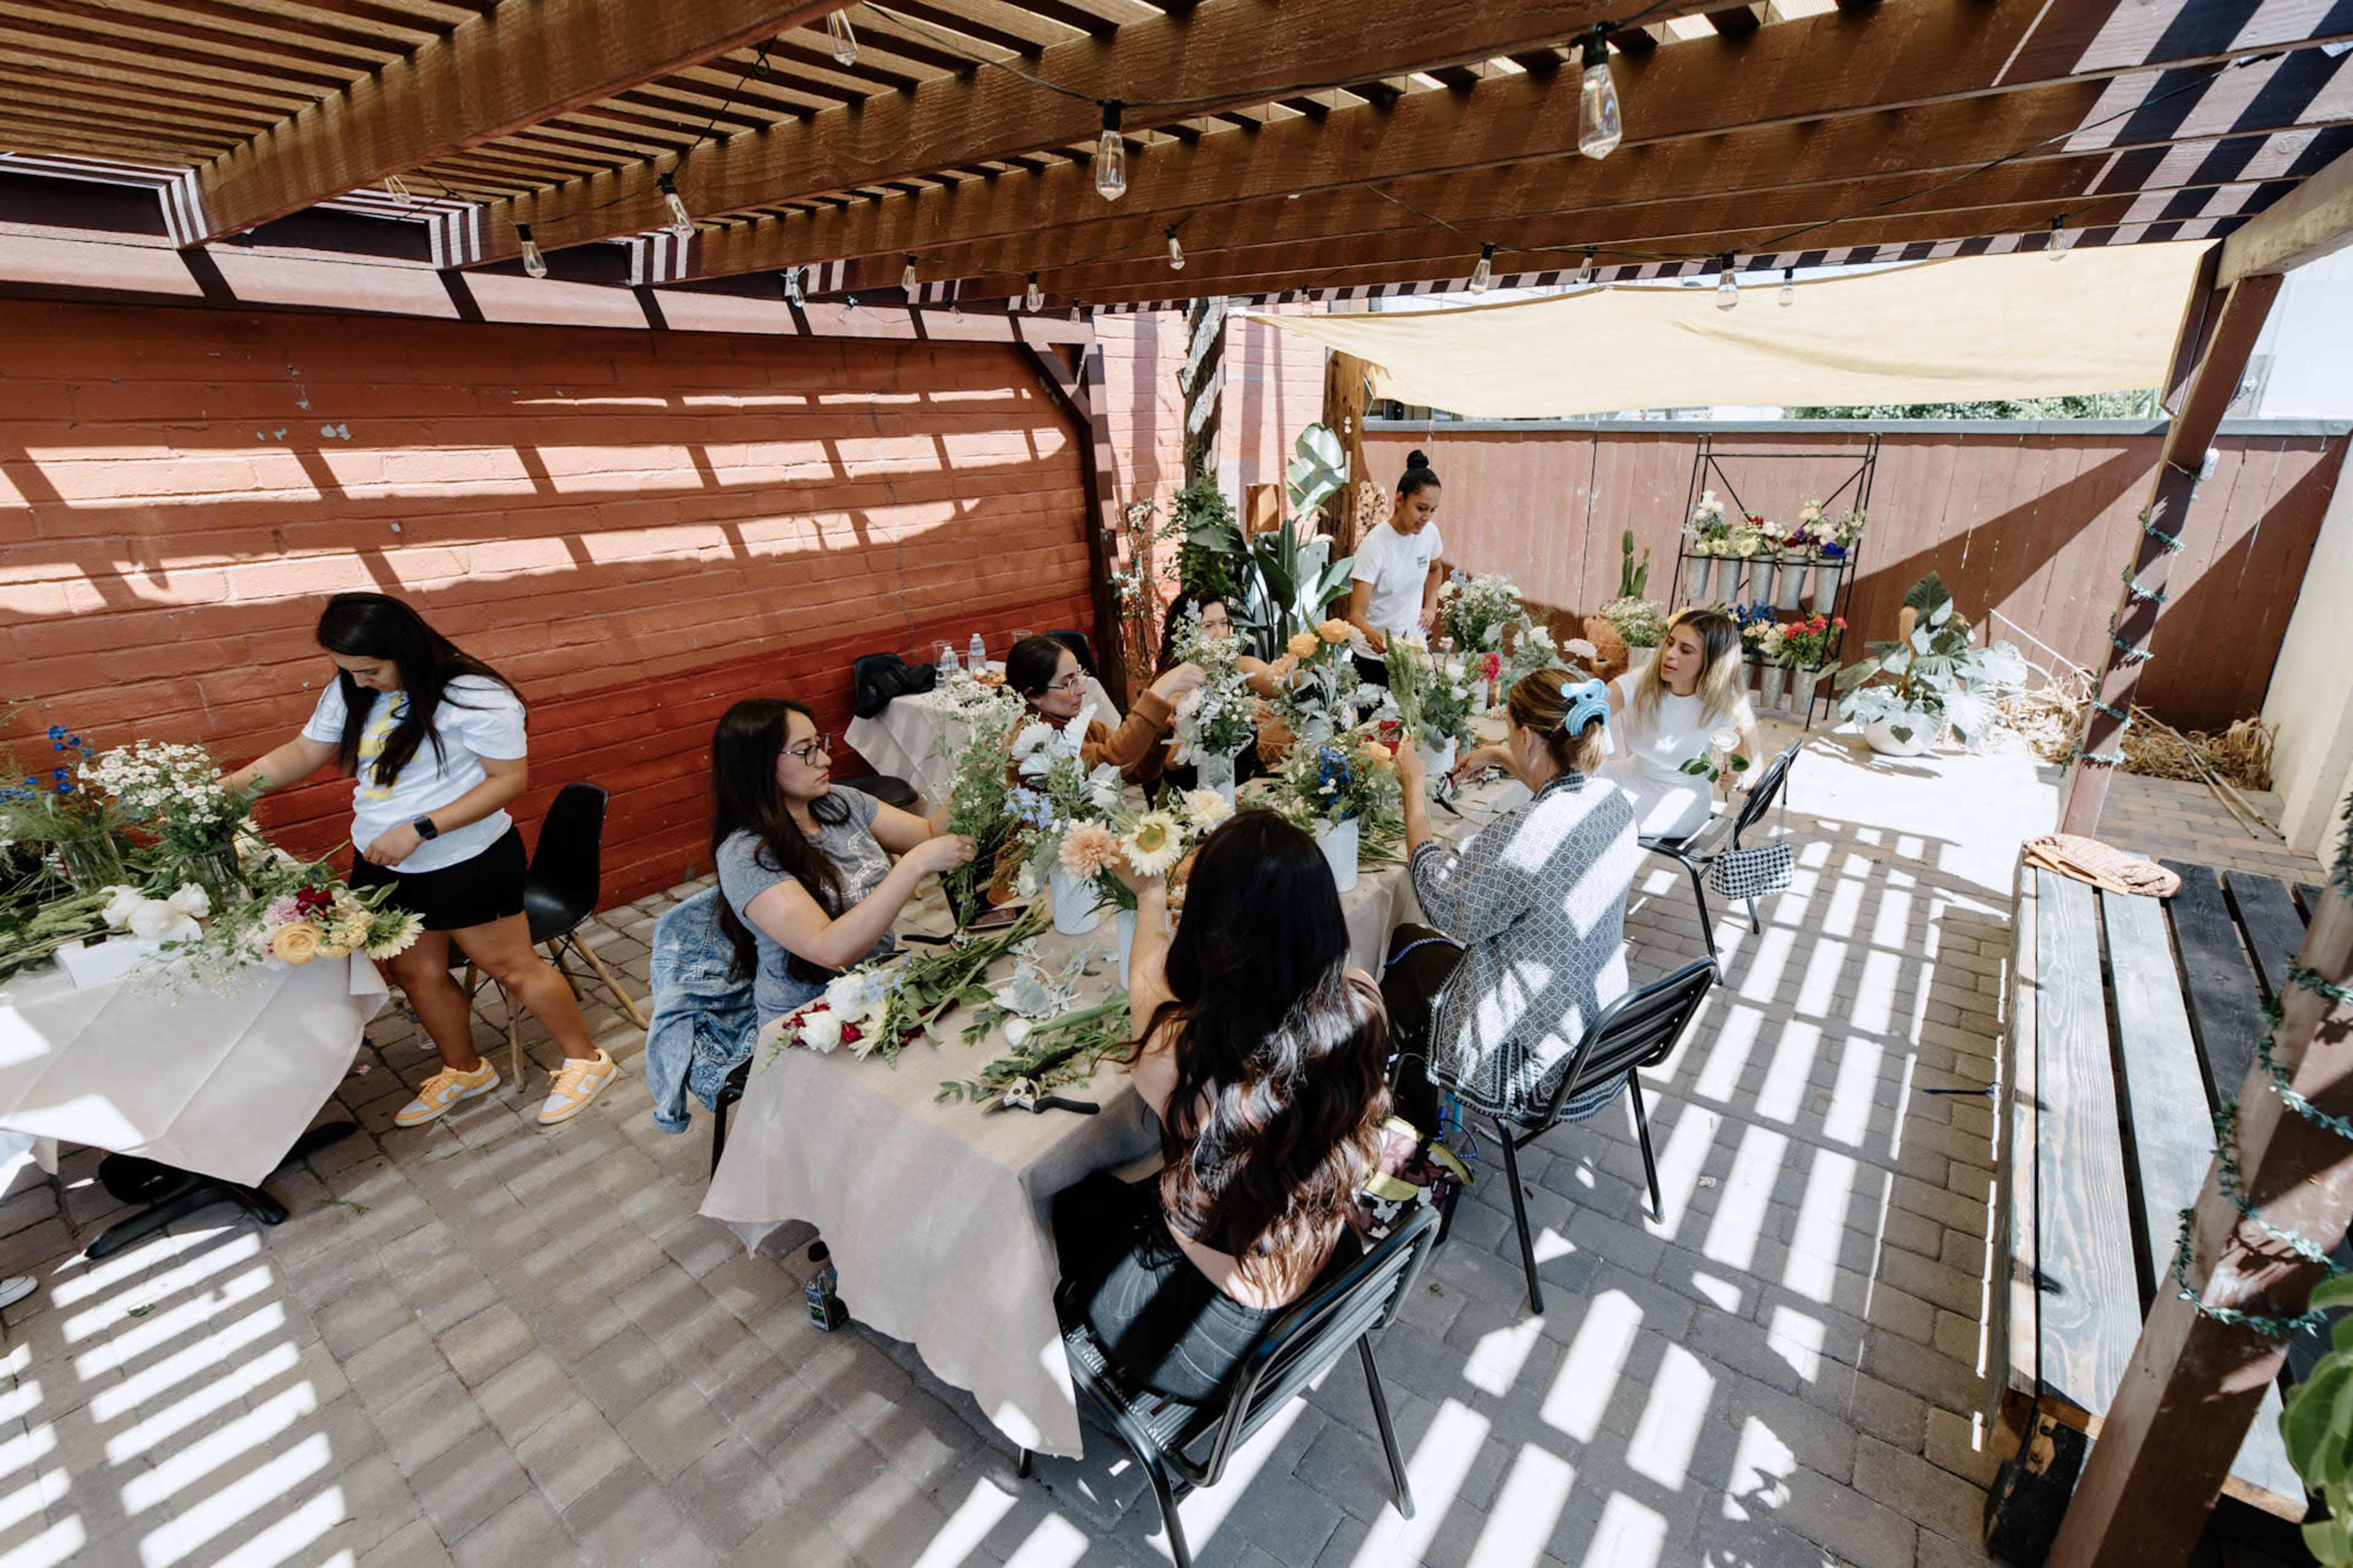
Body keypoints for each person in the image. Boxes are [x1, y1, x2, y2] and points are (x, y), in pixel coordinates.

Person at [225, 593, 619, 1128]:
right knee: (416, 972)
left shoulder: (474, 695)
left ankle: (586, 1060)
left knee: (510, 966)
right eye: (348, 671)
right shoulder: (353, 687)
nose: (360, 682)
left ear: (405, 649)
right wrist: (224, 791)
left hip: (466, 855)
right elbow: (305, 750)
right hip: (382, 856)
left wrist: (420, 829)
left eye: (370, 669)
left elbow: (510, 780)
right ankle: (465, 1069)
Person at [1051, 811, 1392, 1401]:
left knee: (1072, 1202)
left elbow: (1147, 980)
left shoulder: (1183, 1047)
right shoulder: (1361, 1000)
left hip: (1211, 1335)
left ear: (1214, 934)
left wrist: (1152, 893)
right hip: (1320, 1263)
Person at [1387, 670, 1645, 1131]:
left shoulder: (1523, 834)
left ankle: (1415, 1118)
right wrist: (1503, 757)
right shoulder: (1615, 801)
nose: (1508, 738)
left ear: (1528, 736)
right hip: (1602, 1038)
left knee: (1403, 942)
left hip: (1533, 1061)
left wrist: (1412, 787)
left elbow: (1440, 897)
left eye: (1509, 731)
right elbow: (1560, 804)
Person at [709, 698, 975, 1032]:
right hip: (812, 1020)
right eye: (806, 750)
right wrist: (912, 867)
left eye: (819, 745)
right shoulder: (746, 855)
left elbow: (929, 834)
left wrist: (978, 769)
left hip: (878, 989)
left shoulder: (838, 802)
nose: (825, 759)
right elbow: (829, 949)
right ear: (758, 764)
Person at [1599, 607, 1762, 840]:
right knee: (1561, 784)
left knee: (1591, 816)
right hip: (1632, 774)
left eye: (1686, 650)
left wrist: (1740, 779)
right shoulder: (1643, 682)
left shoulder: (1725, 708)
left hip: (1680, 802)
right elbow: (1596, 707)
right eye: (1670, 643)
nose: (1670, 654)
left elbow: (1751, 774)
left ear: (1711, 661)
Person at [1005, 634, 1204, 789]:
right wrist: (1158, 694)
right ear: (1033, 696)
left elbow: (1138, 771)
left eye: (1079, 677)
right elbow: (1110, 760)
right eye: (1068, 683)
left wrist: (1160, 731)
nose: (1082, 690)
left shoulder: (1079, 725)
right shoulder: (1033, 742)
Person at [1153, 590, 1294, 789]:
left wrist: (1310, 663)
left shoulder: (1237, 667)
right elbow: (1172, 761)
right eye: (1208, 626)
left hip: (1246, 789)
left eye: (1224, 623)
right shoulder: (1173, 686)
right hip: (1195, 801)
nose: (1220, 633)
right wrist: (1230, 709)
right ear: (1187, 634)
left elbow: (1277, 682)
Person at [1344, 450, 1446, 687]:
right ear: (1400, 500)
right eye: (1421, 508)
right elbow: (1356, 615)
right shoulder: (1375, 546)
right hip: (1374, 659)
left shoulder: (1430, 534)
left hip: (1413, 653)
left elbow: (1436, 569)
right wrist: (1373, 636)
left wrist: (1431, 606)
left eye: (1433, 510)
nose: (1426, 518)